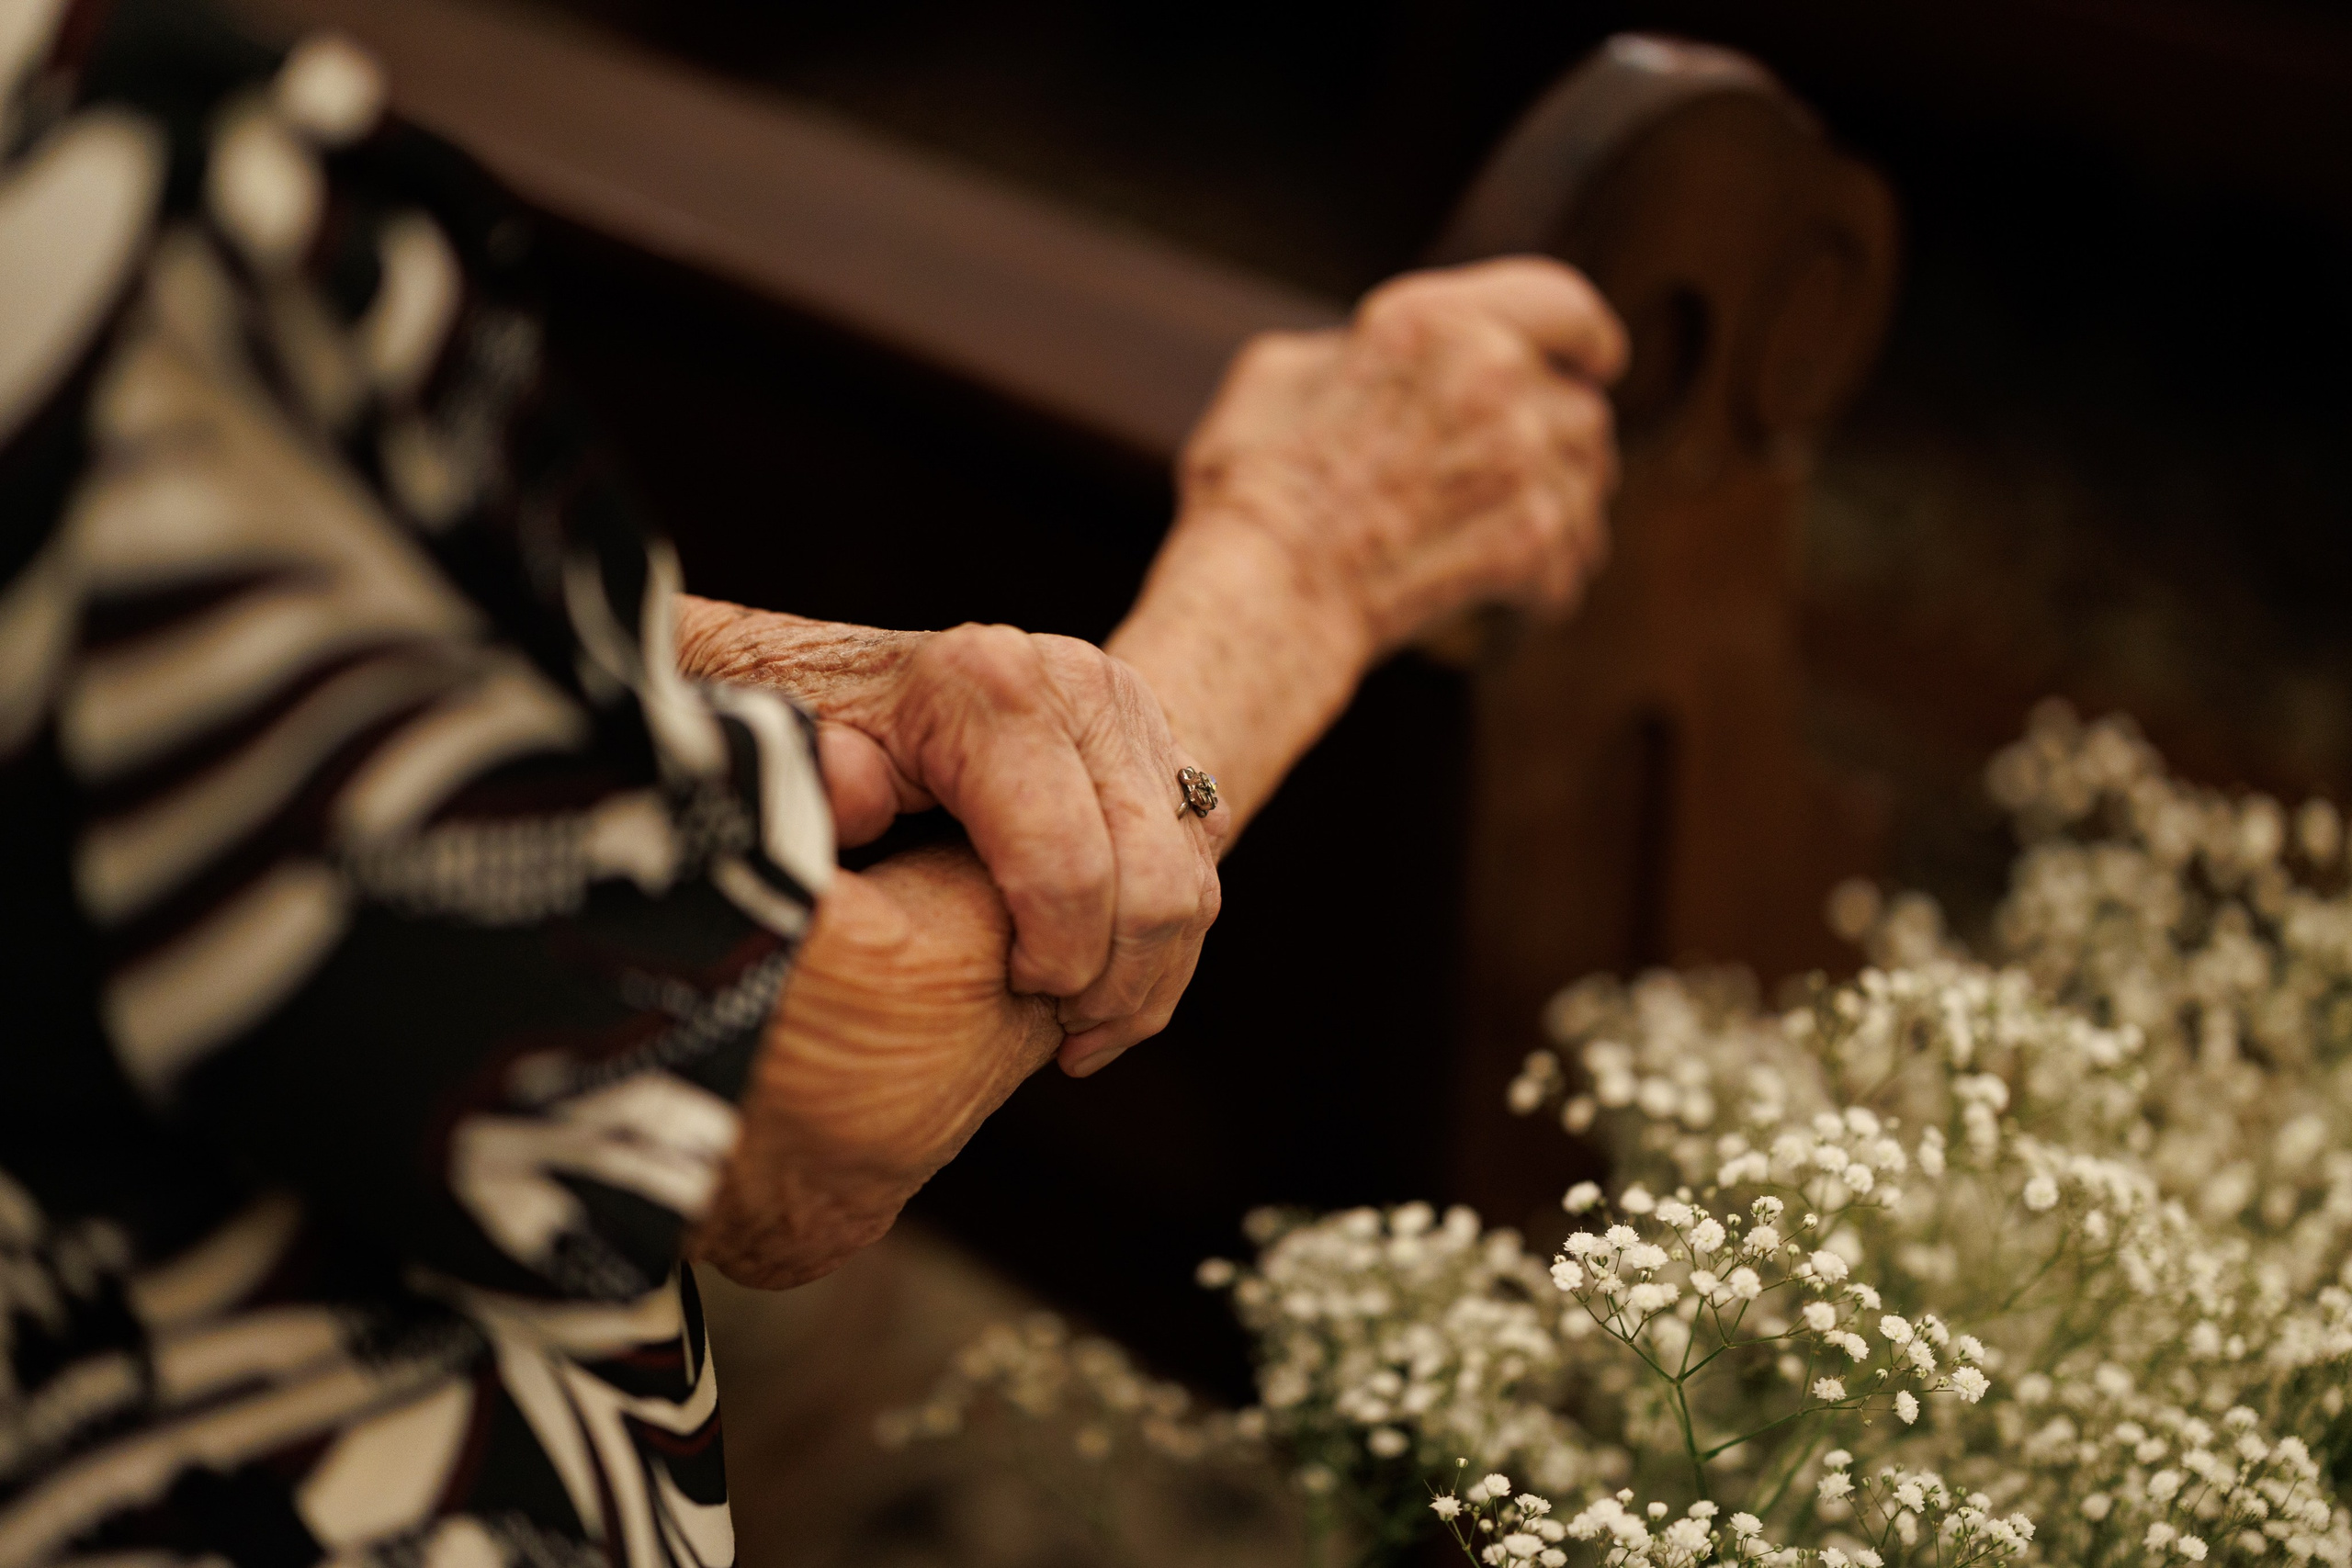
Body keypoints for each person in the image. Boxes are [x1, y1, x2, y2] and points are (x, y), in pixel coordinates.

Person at [0, 2, 1624, 1563]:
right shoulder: (105, 184)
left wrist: (817, 671)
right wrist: (1306, 551)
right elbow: (797, 1117)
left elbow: (152, 645)